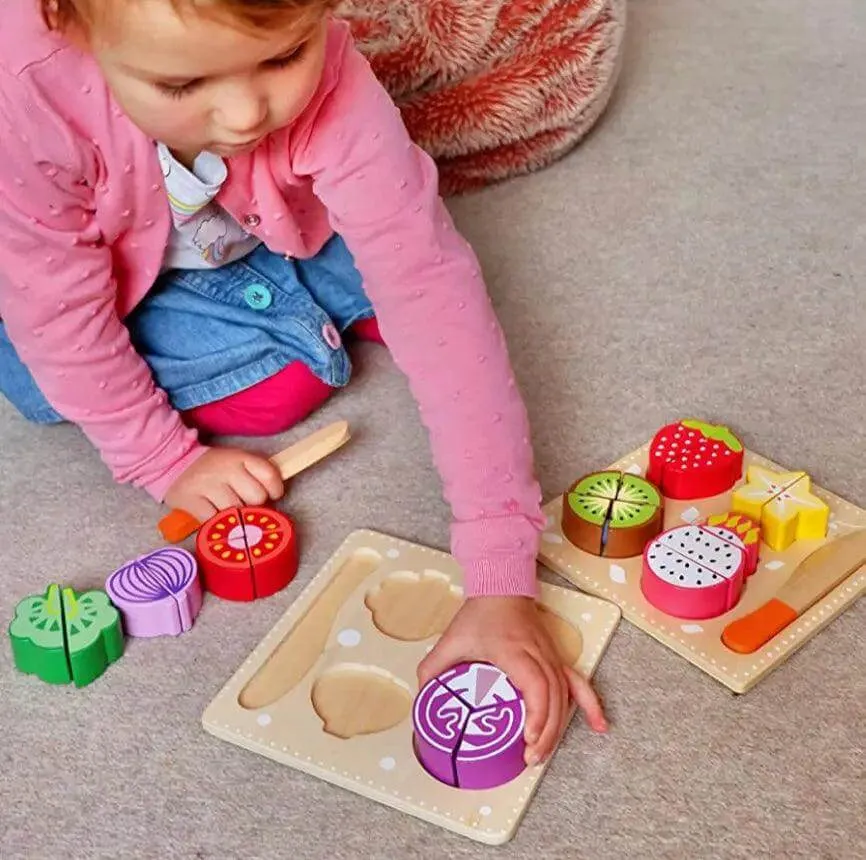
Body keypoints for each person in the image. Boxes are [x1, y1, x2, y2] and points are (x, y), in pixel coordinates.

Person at [0, 0, 608, 762]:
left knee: (431, 287)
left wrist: (499, 574)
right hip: (95, 272)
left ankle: (291, 306)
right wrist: (164, 460)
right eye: (182, 84)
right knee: (44, 374)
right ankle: (299, 312)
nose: (247, 111)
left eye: (284, 58)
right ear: (67, 22)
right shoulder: (22, 86)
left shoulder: (331, 83)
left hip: (268, 224)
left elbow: (428, 289)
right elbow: (59, 315)